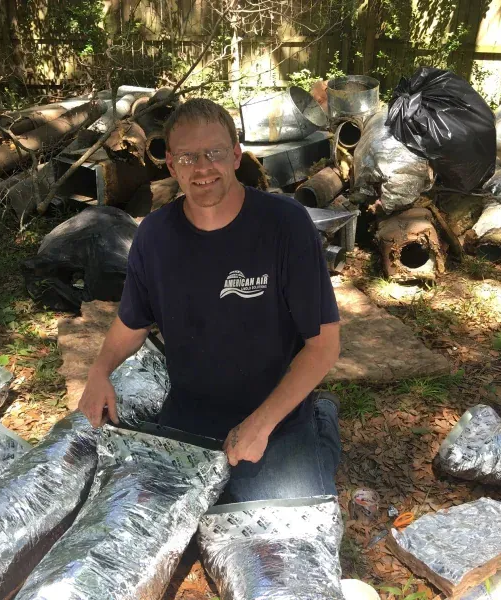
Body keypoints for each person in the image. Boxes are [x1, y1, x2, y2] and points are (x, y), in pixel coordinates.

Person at [78, 98, 341, 502]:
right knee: (154, 523)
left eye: (214, 153)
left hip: (274, 411)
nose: (202, 168)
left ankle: (320, 419)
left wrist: (262, 423)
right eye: (187, 157)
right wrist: (99, 372)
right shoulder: (155, 236)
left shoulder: (286, 226)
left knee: (275, 530)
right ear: (170, 166)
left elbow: (323, 345)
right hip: (191, 412)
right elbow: (132, 323)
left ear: (236, 156)